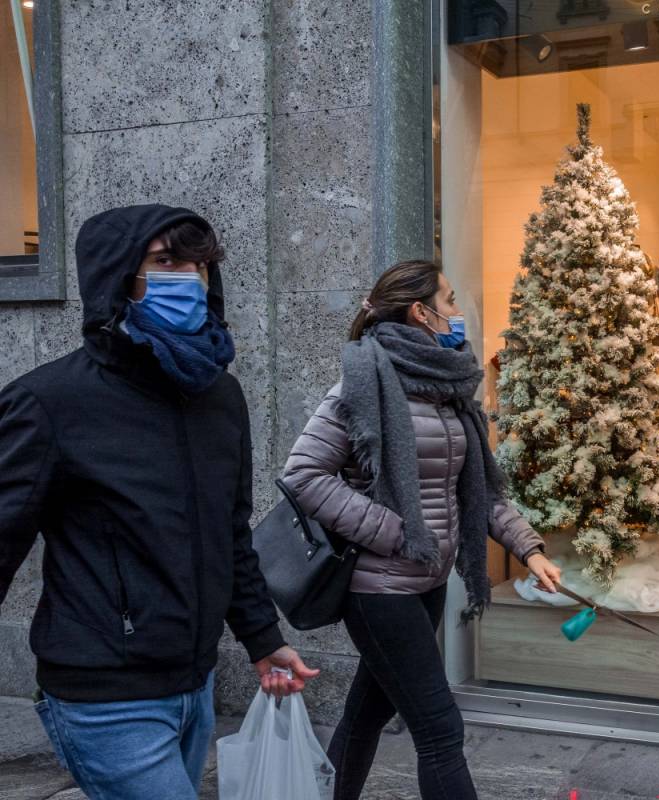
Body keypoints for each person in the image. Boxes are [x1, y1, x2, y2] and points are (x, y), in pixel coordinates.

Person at [0, 205, 317, 800]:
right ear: (117, 276)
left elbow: (230, 533)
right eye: (166, 261)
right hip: (103, 695)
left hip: (193, 685)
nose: (189, 279)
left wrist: (262, 639)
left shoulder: (219, 396)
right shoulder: (50, 402)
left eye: (199, 264)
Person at [280, 259, 562, 800]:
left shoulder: (447, 389)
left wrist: (528, 549)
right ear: (422, 312)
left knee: (366, 713)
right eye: (451, 301)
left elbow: (475, 489)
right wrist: (394, 531)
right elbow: (303, 474)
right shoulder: (363, 383)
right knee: (440, 729)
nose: (458, 313)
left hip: (426, 582)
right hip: (377, 589)